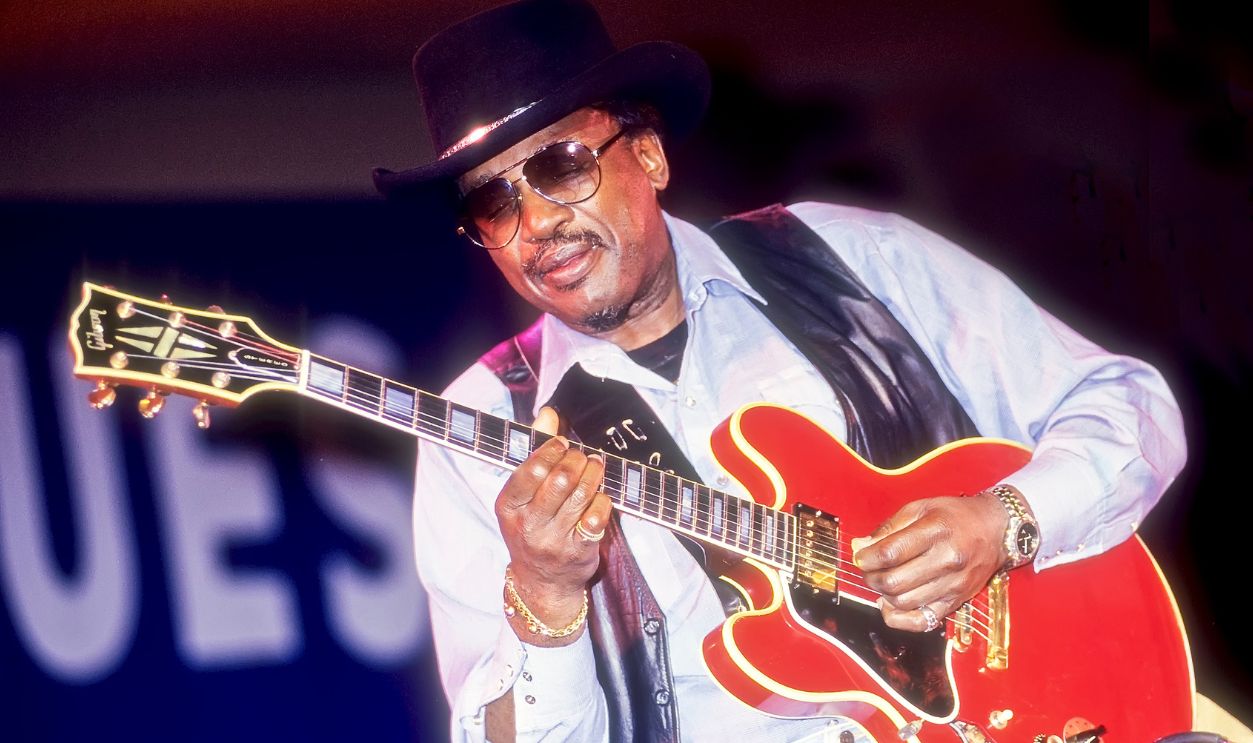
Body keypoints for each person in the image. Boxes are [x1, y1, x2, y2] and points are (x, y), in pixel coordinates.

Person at [372, 1, 1195, 741]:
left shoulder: (848, 257)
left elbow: (1128, 405)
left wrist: (1004, 520)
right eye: (494, 203)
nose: (537, 224)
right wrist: (546, 599)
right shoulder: (481, 425)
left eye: (560, 166)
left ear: (649, 156)